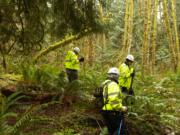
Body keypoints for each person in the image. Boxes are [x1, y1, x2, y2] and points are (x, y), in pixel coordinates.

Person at [101, 67, 128, 135]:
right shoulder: (113, 85)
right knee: (121, 130)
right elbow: (113, 100)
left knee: (111, 131)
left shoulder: (106, 84)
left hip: (106, 111)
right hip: (113, 112)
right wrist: (122, 108)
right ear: (116, 76)